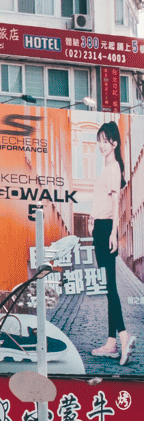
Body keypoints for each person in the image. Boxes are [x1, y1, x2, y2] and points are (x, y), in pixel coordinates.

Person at [92, 121, 133, 364]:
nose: (101, 145)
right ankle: (111, 343)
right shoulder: (107, 168)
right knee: (109, 287)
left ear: (114, 143)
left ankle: (123, 336)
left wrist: (112, 233)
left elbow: (116, 204)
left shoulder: (113, 168)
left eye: (105, 141)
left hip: (106, 228)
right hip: (101, 227)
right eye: (99, 141)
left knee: (111, 288)